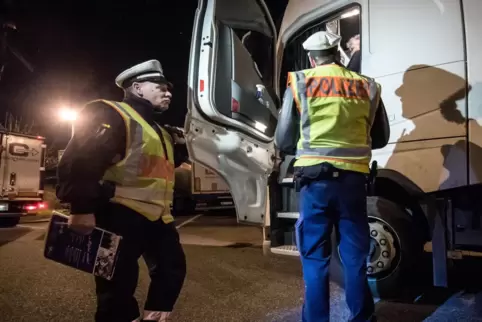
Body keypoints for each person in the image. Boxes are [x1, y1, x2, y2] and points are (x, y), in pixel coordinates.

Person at [56, 59, 187, 322]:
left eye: (170, 88)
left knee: (172, 269)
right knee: (116, 287)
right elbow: (81, 159)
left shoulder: (161, 131)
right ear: (137, 88)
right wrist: (81, 209)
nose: (168, 92)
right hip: (118, 215)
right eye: (161, 86)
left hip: (158, 217)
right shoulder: (110, 113)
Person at [274, 31, 390, 322]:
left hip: (315, 184)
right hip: (353, 184)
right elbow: (381, 137)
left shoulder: (301, 81)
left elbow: (284, 139)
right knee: (355, 258)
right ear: (338, 53)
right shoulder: (367, 86)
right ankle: (363, 317)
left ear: (312, 58)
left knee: (315, 259)